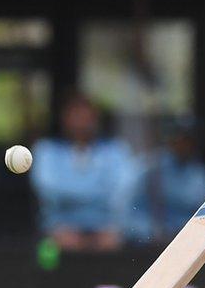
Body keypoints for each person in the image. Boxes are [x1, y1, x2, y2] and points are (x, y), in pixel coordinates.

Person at [31, 95, 137, 251]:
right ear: (64, 119)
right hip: (61, 227)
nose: (81, 122)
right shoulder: (46, 150)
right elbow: (49, 190)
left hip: (107, 227)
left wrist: (103, 224)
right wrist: (97, 191)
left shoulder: (116, 150)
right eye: (76, 116)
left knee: (111, 241)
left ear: (96, 119)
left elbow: (122, 192)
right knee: (60, 244)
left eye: (86, 117)